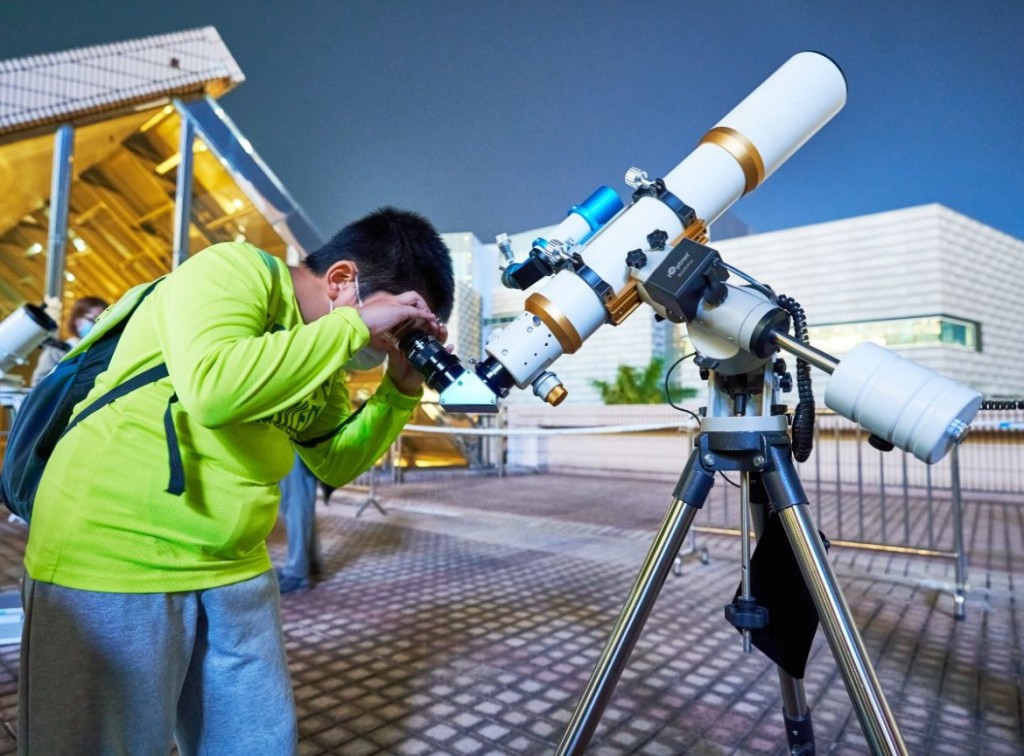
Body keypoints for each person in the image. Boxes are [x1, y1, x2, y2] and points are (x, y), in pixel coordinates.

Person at [18, 207, 454, 754]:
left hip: (233, 566)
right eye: (397, 324)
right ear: (343, 280)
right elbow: (213, 389)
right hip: (113, 555)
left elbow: (333, 463)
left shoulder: (322, 354)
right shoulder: (232, 270)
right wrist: (353, 327)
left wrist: (401, 389)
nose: (388, 342)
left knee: (255, 743)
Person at [29, 295, 109, 386]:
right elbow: (38, 387)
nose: (96, 325)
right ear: (76, 319)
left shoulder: (102, 353)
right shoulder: (56, 352)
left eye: (101, 322)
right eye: (93, 319)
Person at [277, 453, 322, 593]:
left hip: (297, 440)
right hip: (295, 441)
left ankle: (298, 573)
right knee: (298, 499)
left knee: (296, 501)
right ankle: (307, 562)